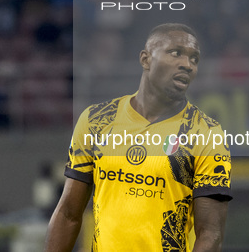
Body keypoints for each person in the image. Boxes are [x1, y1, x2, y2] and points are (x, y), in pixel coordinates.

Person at [45, 23, 232, 251]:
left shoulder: (206, 134)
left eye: (195, 59)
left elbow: (211, 234)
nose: (187, 64)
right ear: (146, 59)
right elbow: (68, 214)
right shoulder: (97, 119)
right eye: (176, 53)